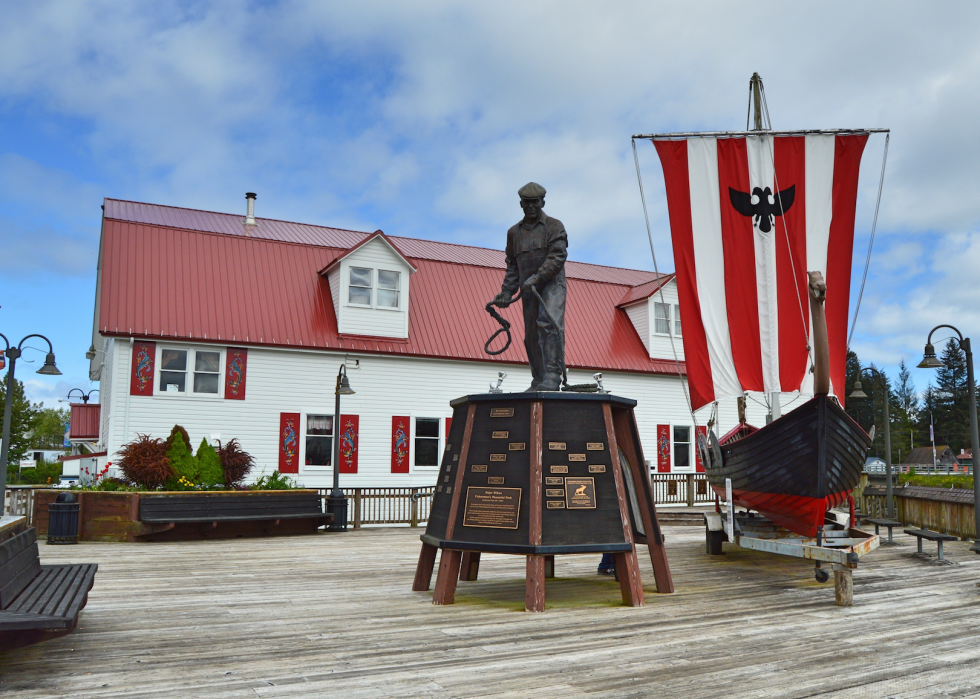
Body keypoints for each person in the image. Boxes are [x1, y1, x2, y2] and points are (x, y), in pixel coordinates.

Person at [493, 182, 568, 391]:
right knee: (532, 333)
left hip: (552, 285)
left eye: (535, 202)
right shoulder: (513, 233)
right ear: (521, 204)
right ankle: (539, 379)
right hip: (528, 289)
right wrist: (507, 292)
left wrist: (537, 277)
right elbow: (512, 266)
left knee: (548, 323)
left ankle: (553, 376)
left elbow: (558, 256)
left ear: (542, 202)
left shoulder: (554, 226)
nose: (531, 206)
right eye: (527, 203)